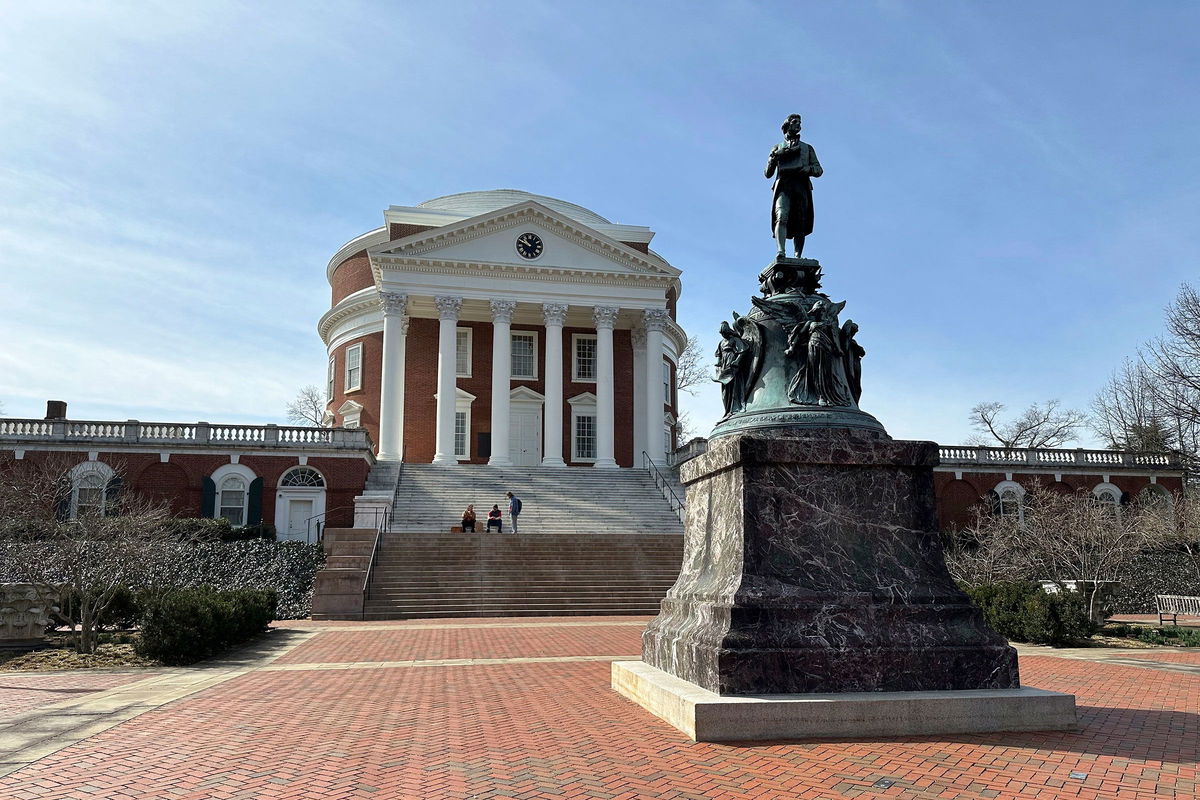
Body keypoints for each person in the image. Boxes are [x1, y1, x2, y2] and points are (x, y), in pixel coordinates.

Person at [765, 113, 823, 258]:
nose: (798, 125)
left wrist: (807, 169)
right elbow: (767, 173)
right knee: (781, 216)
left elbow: (819, 169)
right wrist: (774, 157)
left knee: (800, 222)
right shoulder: (777, 147)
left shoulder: (807, 148)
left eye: (799, 122)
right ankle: (781, 251)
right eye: (795, 122)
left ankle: (798, 255)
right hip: (784, 186)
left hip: (801, 186)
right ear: (787, 125)